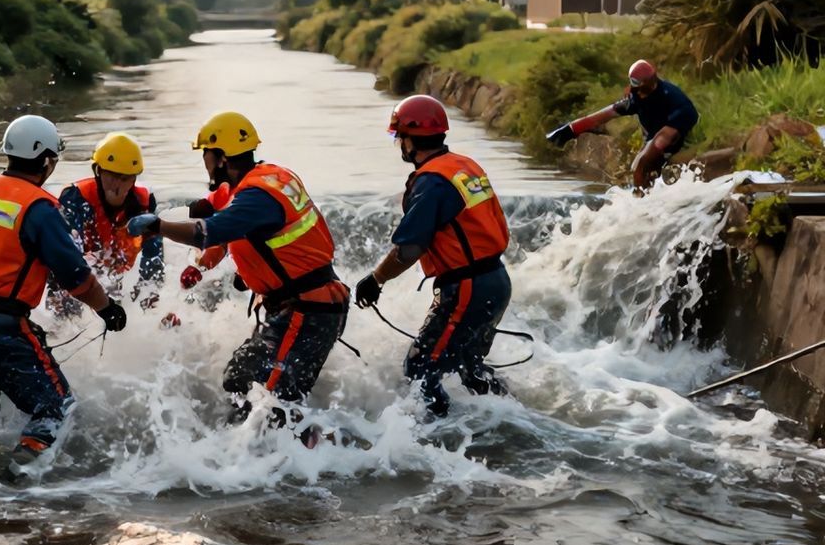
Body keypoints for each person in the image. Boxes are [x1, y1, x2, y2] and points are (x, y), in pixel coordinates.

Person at [126, 112, 349, 436]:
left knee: (273, 404)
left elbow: (208, 232)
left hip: (308, 312)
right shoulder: (267, 178)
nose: (204, 162)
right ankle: (252, 452)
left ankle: (316, 453)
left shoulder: (256, 198)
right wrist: (199, 265)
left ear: (221, 157)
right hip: (296, 308)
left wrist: (159, 227)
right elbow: (217, 217)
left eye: (206, 154)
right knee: (239, 379)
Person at [0, 115, 127, 459]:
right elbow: (76, 277)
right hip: (2, 329)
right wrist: (107, 309)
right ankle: (19, 476)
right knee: (57, 410)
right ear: (46, 160)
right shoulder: (41, 207)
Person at [354, 95, 512, 418]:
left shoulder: (432, 182)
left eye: (398, 136)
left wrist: (376, 279)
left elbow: (409, 249)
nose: (398, 143)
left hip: (467, 287)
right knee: (469, 368)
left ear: (410, 139)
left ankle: (438, 437)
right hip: (495, 279)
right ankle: (510, 419)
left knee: (420, 368)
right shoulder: (463, 166)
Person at [52, 132, 164, 313]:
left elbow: (153, 258)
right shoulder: (75, 198)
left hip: (120, 275)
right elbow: (65, 257)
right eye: (111, 175)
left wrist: (150, 300)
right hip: (85, 281)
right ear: (98, 171)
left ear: (134, 179)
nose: (116, 184)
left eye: (124, 178)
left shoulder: (144, 202)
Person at [545, 59, 700, 189]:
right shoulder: (635, 98)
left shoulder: (677, 102)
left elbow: (663, 139)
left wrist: (645, 162)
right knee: (637, 168)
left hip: (675, 136)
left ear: (651, 85)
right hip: (654, 137)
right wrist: (570, 130)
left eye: (640, 88)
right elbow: (601, 116)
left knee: (641, 165)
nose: (637, 93)